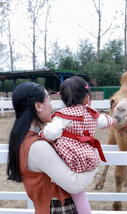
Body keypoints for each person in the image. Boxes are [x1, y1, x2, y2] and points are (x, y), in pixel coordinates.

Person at [7, 81, 97, 214]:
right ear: (38, 106)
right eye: (48, 99)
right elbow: (74, 184)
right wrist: (95, 160)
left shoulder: (26, 140)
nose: (51, 105)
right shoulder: (37, 147)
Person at [40, 76, 116, 214]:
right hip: (88, 159)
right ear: (87, 98)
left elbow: (52, 133)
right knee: (80, 194)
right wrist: (112, 120)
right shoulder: (92, 113)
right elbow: (104, 121)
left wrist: (42, 133)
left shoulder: (62, 115)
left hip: (69, 160)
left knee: (74, 192)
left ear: (63, 98)